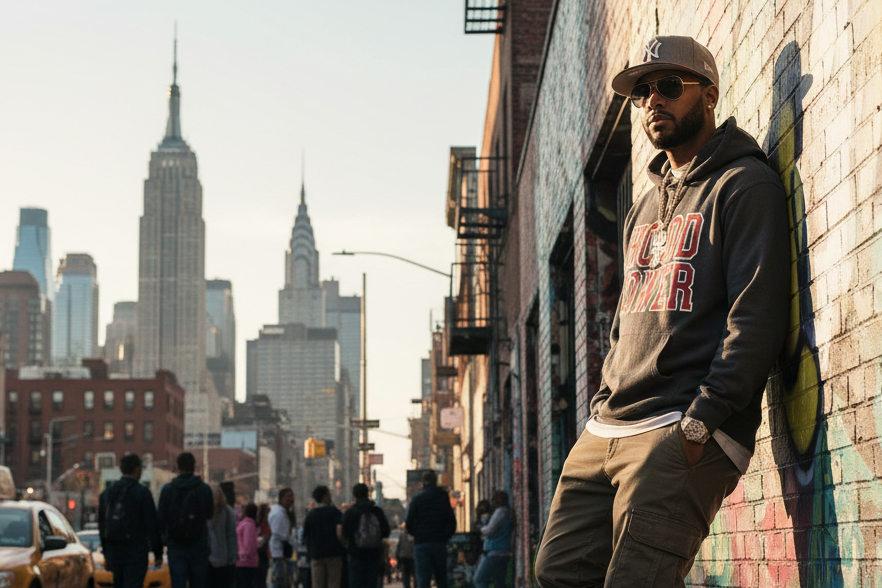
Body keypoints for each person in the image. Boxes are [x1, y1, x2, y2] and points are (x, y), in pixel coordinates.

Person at [533, 35, 789, 588]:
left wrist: (701, 422)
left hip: (681, 424)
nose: (653, 100)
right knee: (556, 573)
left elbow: (756, 316)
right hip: (607, 426)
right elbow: (627, 316)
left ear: (710, 94)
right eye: (643, 91)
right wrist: (600, 402)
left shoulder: (743, 185)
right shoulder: (644, 203)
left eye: (669, 86)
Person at [98, 453, 163, 588]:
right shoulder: (142, 493)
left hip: (114, 550)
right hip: (136, 552)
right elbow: (151, 525)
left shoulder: (107, 493)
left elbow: (102, 525)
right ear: (137, 469)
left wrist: (106, 551)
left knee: (118, 584)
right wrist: (158, 552)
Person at [157, 452, 215, 588]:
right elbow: (209, 514)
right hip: (199, 544)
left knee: (178, 583)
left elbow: (160, 519)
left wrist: (159, 547)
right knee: (198, 583)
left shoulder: (167, 490)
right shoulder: (204, 489)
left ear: (178, 467)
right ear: (194, 467)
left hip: (176, 545)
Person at [405, 471, 456, 588]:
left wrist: (417, 534)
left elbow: (409, 522)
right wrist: (445, 536)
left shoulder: (417, 498)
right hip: (439, 542)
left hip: (422, 543)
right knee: (441, 578)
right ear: (436, 480)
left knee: (423, 579)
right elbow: (451, 520)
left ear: (424, 482)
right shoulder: (443, 496)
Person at [339, 483, 391, 588]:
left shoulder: (350, 513)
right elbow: (386, 531)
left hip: (356, 555)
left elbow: (344, 533)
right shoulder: (377, 511)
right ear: (368, 494)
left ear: (354, 495)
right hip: (374, 555)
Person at [302, 485, 346, 588]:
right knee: (334, 584)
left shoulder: (310, 515)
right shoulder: (335, 512)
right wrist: (344, 544)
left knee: (317, 584)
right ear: (325, 496)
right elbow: (339, 532)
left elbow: (305, 536)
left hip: (316, 555)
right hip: (334, 554)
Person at [473, 491, 511, 588]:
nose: (492, 502)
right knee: (499, 582)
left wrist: (482, 529)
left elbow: (489, 530)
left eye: (494, 499)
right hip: (499, 551)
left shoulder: (500, 512)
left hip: (495, 552)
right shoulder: (503, 512)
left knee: (479, 579)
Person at [207, 483, 238, 588]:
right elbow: (231, 536)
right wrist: (232, 558)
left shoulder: (205, 511)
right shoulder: (228, 511)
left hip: (208, 560)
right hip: (224, 560)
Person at [268, 487, 296, 588]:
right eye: (287, 497)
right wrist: (288, 541)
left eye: (292, 496)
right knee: (279, 581)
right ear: (281, 498)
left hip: (283, 554)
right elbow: (279, 534)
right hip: (279, 554)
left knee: (284, 581)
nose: (290, 499)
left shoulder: (284, 512)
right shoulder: (278, 514)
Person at [237, 503, 261, 588]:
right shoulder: (249, 525)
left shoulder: (242, 523)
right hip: (247, 562)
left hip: (240, 561)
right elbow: (248, 544)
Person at [257, 503, 272, 588]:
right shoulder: (260, 524)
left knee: (263, 576)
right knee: (261, 576)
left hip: (266, 552)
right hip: (261, 552)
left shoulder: (267, 523)